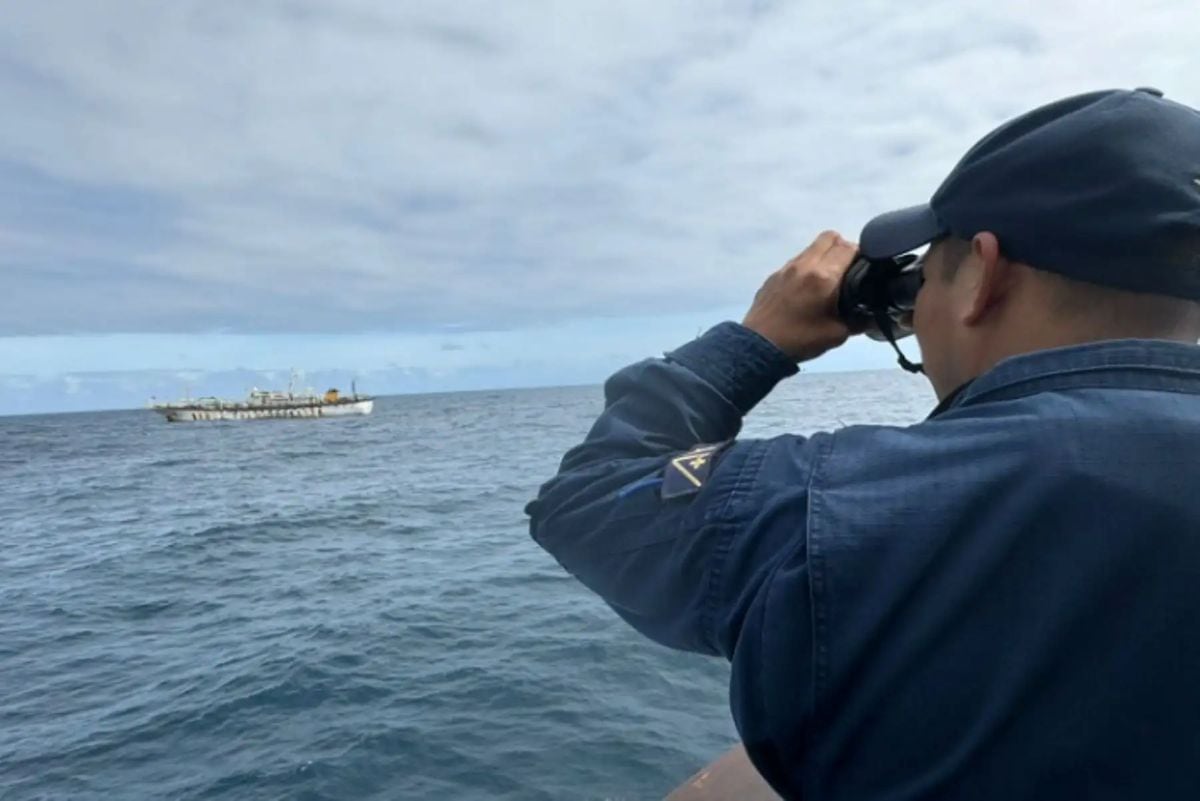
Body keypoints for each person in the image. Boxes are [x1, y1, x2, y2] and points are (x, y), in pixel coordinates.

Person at [524, 87, 1200, 800]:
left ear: (984, 276)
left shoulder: (845, 502)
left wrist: (753, 341)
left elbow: (590, 501)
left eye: (929, 274)